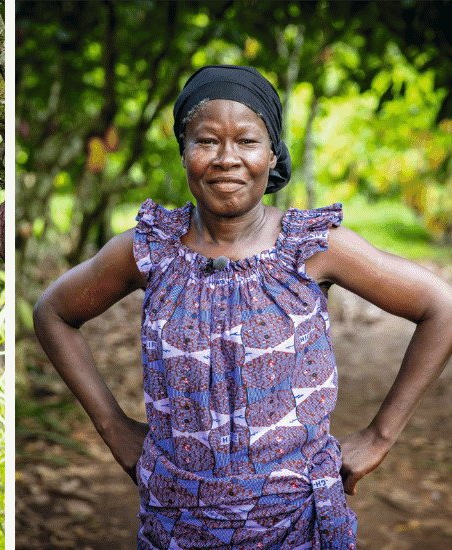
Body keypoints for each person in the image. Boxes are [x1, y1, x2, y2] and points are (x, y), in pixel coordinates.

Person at [33, 65, 452, 549]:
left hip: (299, 523)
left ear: (273, 154)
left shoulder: (312, 247)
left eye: (247, 142)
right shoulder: (150, 250)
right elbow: (54, 313)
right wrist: (115, 429)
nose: (226, 159)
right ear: (184, 151)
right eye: (206, 141)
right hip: (177, 523)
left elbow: (440, 306)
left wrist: (380, 436)